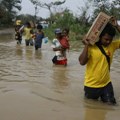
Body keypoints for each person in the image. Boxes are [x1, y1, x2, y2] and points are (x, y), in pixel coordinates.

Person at [79, 17, 120, 105]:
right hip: (91, 86)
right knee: (91, 108)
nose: (108, 41)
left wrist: (117, 26)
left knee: (110, 106)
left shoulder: (112, 46)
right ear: (100, 36)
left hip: (106, 84)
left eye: (110, 39)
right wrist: (86, 45)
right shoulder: (91, 47)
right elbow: (82, 62)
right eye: (106, 39)